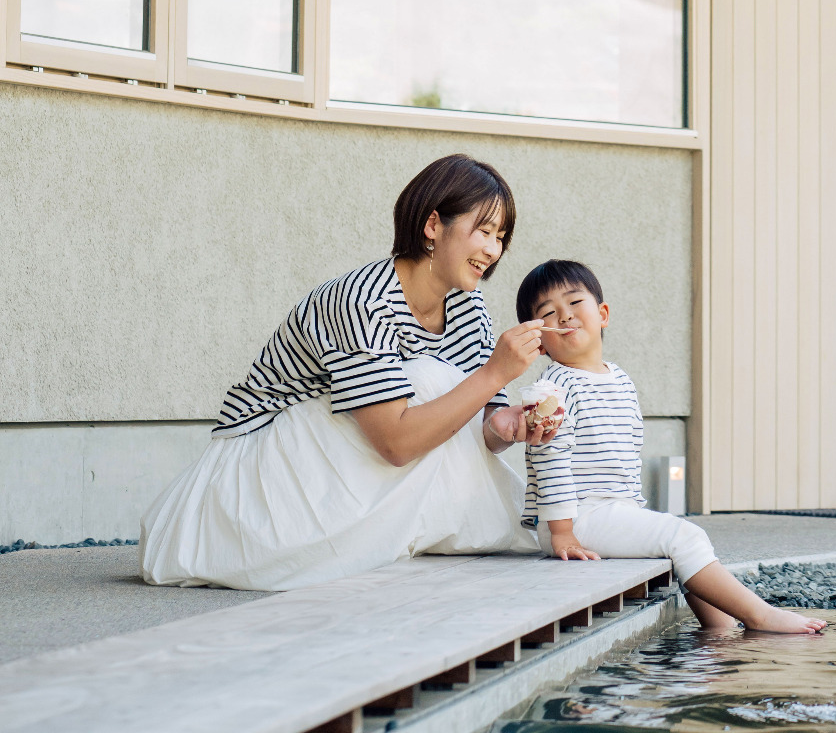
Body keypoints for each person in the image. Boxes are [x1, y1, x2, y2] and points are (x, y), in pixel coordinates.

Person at [140, 154, 557, 591]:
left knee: (439, 386)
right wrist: (494, 374)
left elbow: (477, 429)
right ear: (433, 225)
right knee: (425, 379)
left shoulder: (469, 307)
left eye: (501, 237)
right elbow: (395, 444)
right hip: (259, 471)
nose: (493, 250)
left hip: (340, 466)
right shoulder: (362, 301)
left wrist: (508, 424)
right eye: (484, 231)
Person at [515, 260, 827, 634]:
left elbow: (625, 455)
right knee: (683, 536)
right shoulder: (556, 386)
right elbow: (549, 458)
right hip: (574, 518)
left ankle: (721, 631)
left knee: (677, 541)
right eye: (549, 313)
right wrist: (562, 531)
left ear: (603, 314)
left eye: (574, 303)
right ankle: (759, 616)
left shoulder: (619, 379)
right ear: (540, 340)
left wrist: (633, 509)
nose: (564, 316)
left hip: (607, 511)